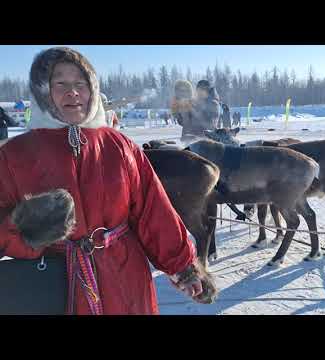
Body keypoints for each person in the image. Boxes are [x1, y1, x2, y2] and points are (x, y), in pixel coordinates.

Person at [0, 47, 216, 315]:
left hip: (126, 280)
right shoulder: (14, 154)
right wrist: (25, 228)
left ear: (92, 89)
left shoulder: (119, 145)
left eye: (81, 83)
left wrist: (183, 267)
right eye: (61, 84)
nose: (73, 92)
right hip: (54, 282)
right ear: (42, 91)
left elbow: (152, 208)